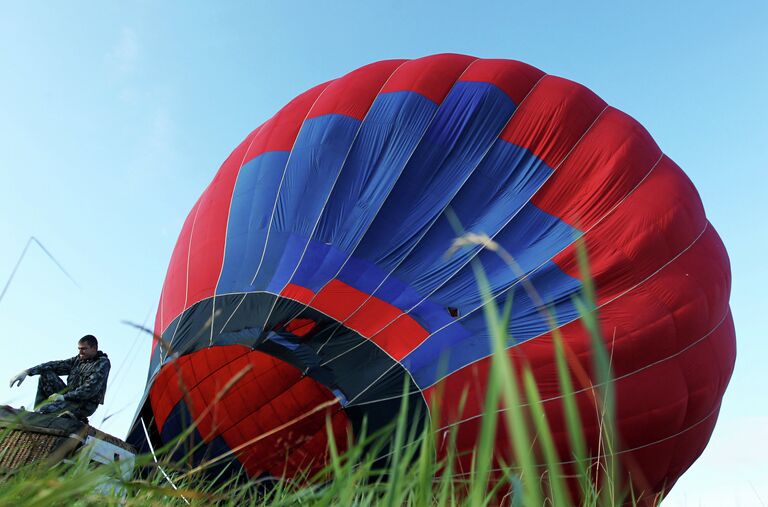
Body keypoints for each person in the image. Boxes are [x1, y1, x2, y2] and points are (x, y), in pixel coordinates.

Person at [8, 334, 111, 423]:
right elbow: (55, 365)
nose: (81, 352)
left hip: (83, 405)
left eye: (84, 349)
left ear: (94, 348)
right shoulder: (78, 360)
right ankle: (38, 411)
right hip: (68, 398)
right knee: (45, 374)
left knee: (46, 410)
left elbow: (89, 390)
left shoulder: (102, 363)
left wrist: (64, 397)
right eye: (79, 349)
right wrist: (27, 372)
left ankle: (69, 416)